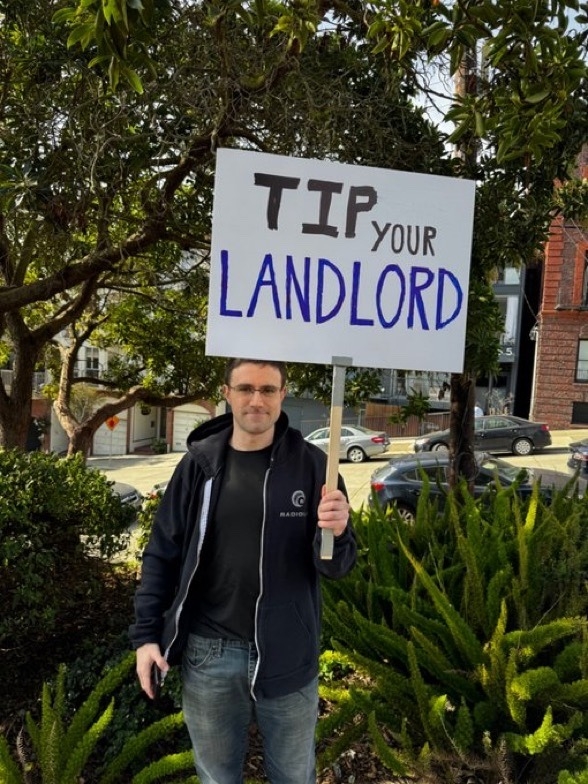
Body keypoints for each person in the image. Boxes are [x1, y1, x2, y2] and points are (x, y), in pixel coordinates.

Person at [129, 358, 357, 784]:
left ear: (282, 395)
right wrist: (146, 636)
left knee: (294, 777)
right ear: (227, 393)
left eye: (268, 390)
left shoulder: (314, 467)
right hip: (209, 653)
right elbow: (162, 553)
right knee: (217, 777)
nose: (257, 400)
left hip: (289, 652)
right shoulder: (199, 465)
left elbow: (337, 567)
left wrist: (338, 532)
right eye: (246, 388)